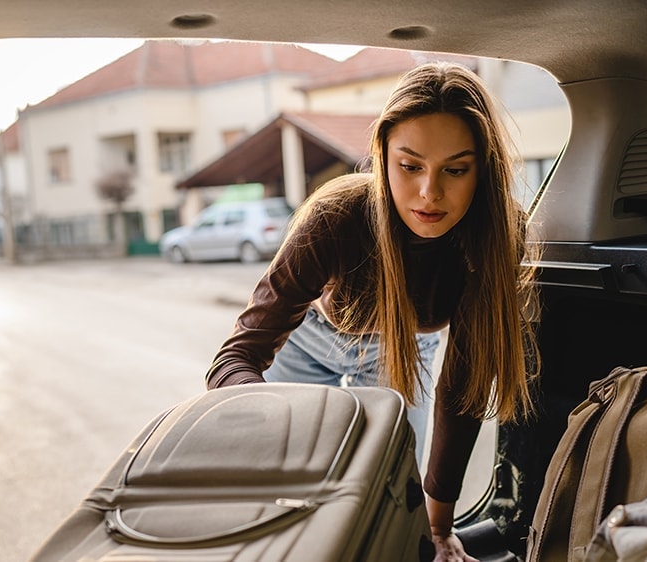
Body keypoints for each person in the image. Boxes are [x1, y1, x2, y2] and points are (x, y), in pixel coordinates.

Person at [205, 61, 541, 562]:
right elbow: (235, 357)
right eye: (410, 166)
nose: (430, 192)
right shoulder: (335, 216)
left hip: (406, 348)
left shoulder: (496, 237)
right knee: (294, 486)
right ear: (382, 156)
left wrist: (440, 527)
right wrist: (274, 423)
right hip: (308, 339)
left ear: (483, 169)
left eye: (455, 169)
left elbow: (463, 384)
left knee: (392, 492)